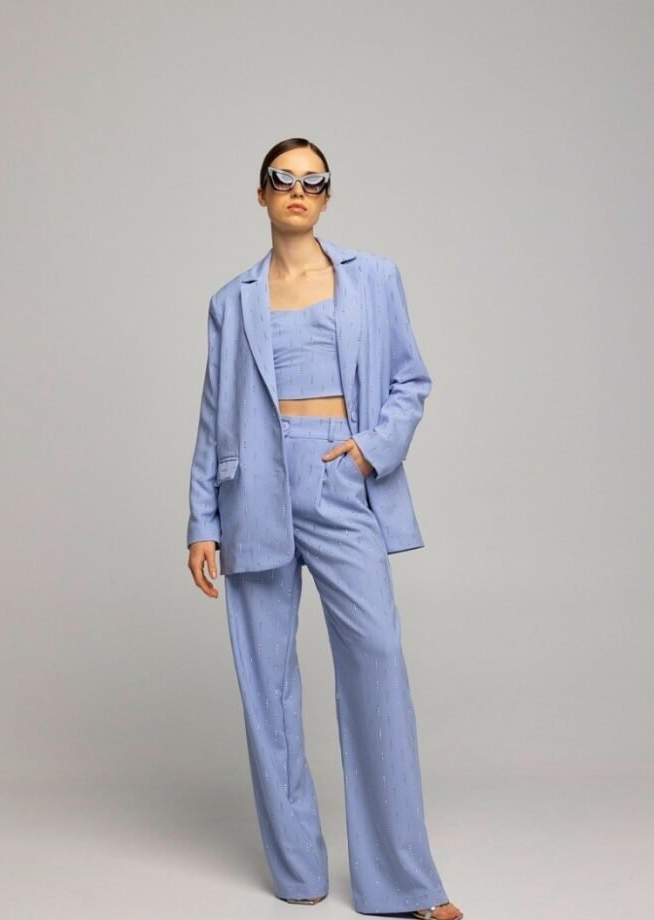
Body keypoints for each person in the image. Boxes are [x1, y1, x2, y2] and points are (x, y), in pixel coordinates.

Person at [186, 137, 463, 920]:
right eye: (283, 179)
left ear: (328, 196)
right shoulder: (231, 300)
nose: (298, 190)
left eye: (314, 180)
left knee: (377, 665)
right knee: (267, 685)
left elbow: (411, 380)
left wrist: (371, 450)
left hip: (342, 475)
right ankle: (298, 871)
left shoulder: (373, 279)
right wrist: (201, 519)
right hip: (253, 490)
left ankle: (404, 883)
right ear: (262, 193)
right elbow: (213, 415)